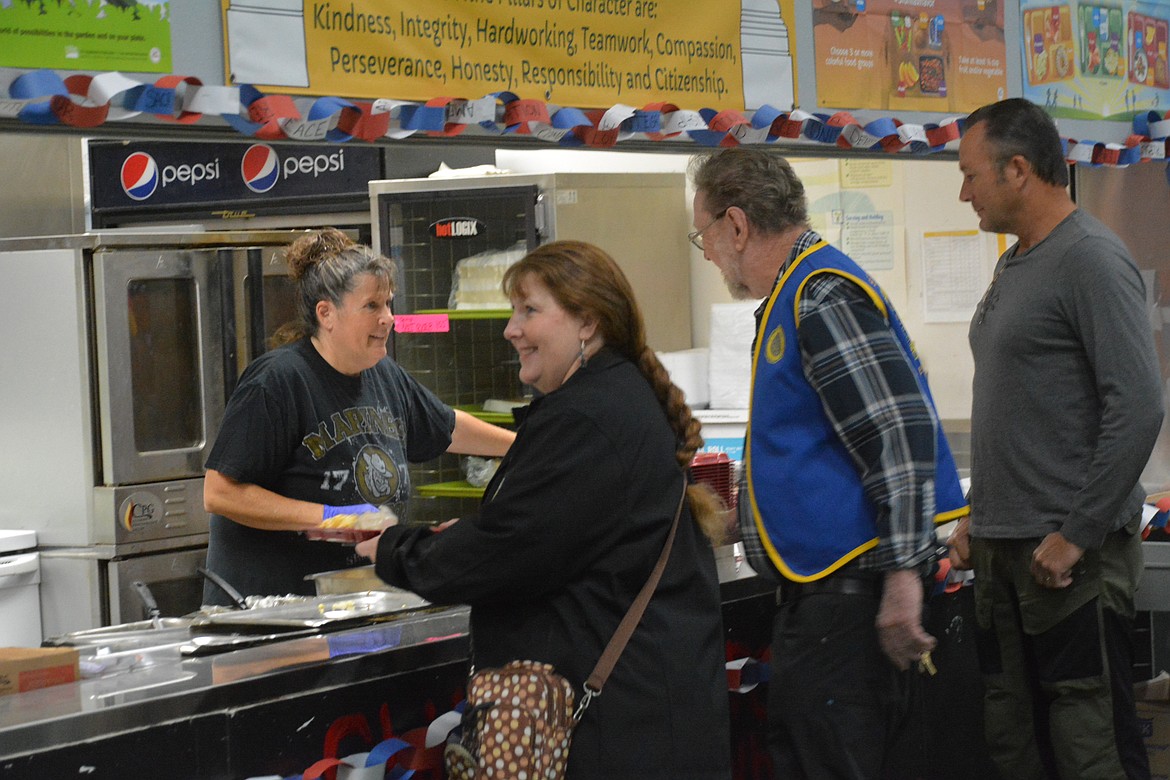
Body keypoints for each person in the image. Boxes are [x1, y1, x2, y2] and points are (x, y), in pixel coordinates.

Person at [356, 240, 733, 779]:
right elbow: (554, 532)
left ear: (588, 323)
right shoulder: (617, 398)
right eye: (514, 311)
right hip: (650, 714)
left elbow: (506, 552)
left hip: (618, 730)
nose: (511, 329)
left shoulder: (584, 420)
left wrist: (396, 548)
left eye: (529, 311)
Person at [688, 147, 969, 779]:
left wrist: (902, 584)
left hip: (847, 614)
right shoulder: (796, 295)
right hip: (829, 609)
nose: (704, 250)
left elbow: (896, 435)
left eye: (702, 232)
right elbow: (823, 445)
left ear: (736, 225)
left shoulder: (819, 297)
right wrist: (744, 517)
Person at [948, 98, 1164, 780]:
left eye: (970, 175)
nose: (963, 193)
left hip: (1069, 561)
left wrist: (1078, 531)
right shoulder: (1016, 264)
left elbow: (1139, 405)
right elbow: (1017, 408)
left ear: (1018, 170)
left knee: (1086, 744)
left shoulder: (1092, 260)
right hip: (1004, 551)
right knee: (1014, 740)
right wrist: (978, 516)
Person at [201, 228, 514, 604]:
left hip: (349, 603)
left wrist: (524, 447)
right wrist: (332, 516)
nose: (389, 319)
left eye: (388, 304)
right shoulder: (277, 381)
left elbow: (446, 426)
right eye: (372, 306)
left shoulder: (383, 373)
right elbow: (220, 493)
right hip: (268, 612)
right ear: (326, 313)